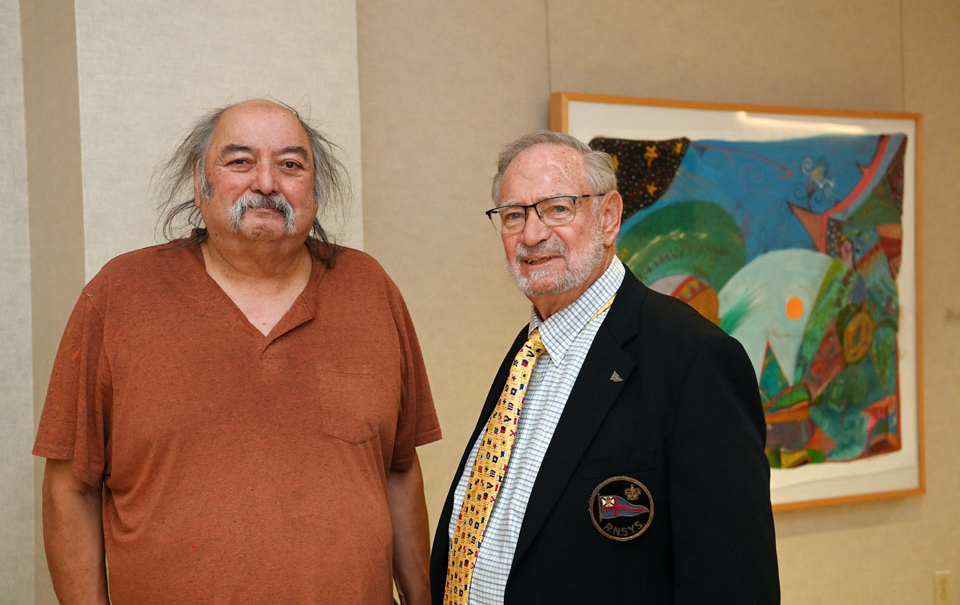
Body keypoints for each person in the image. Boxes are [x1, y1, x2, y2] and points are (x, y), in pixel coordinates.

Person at [34, 99, 441, 604]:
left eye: (291, 165)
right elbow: (70, 488)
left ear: (315, 188)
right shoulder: (120, 295)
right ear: (200, 182)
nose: (267, 183)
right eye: (240, 161)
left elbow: (399, 469)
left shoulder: (369, 288)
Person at [430, 131, 779, 604]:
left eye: (558, 208)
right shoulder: (530, 350)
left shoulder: (694, 360)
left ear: (609, 217)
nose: (532, 235)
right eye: (514, 215)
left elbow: (733, 583)